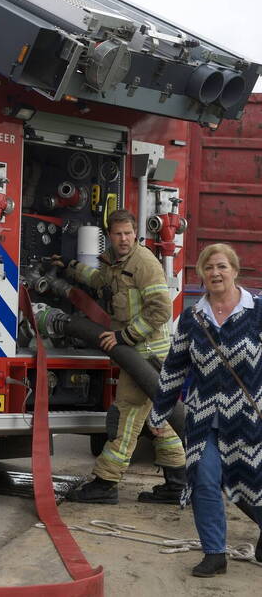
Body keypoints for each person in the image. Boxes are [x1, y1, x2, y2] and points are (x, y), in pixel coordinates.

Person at [52, 208, 186, 503]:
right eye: (118, 234)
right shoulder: (115, 262)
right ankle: (177, 485)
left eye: (128, 233)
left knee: (125, 416)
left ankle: (105, 483)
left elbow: (161, 308)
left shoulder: (144, 263)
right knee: (157, 421)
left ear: (134, 234)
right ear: (109, 236)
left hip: (146, 356)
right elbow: (100, 280)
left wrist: (124, 337)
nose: (124, 239)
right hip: (139, 354)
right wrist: (70, 267)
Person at [148, 243, 262, 577]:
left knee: (252, 482)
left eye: (222, 267)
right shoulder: (192, 317)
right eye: (209, 268)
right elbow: (174, 367)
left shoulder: (257, 311)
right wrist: (159, 412)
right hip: (203, 418)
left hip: (249, 417)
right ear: (201, 273)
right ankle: (215, 553)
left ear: (235, 270)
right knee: (203, 480)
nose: (215, 273)